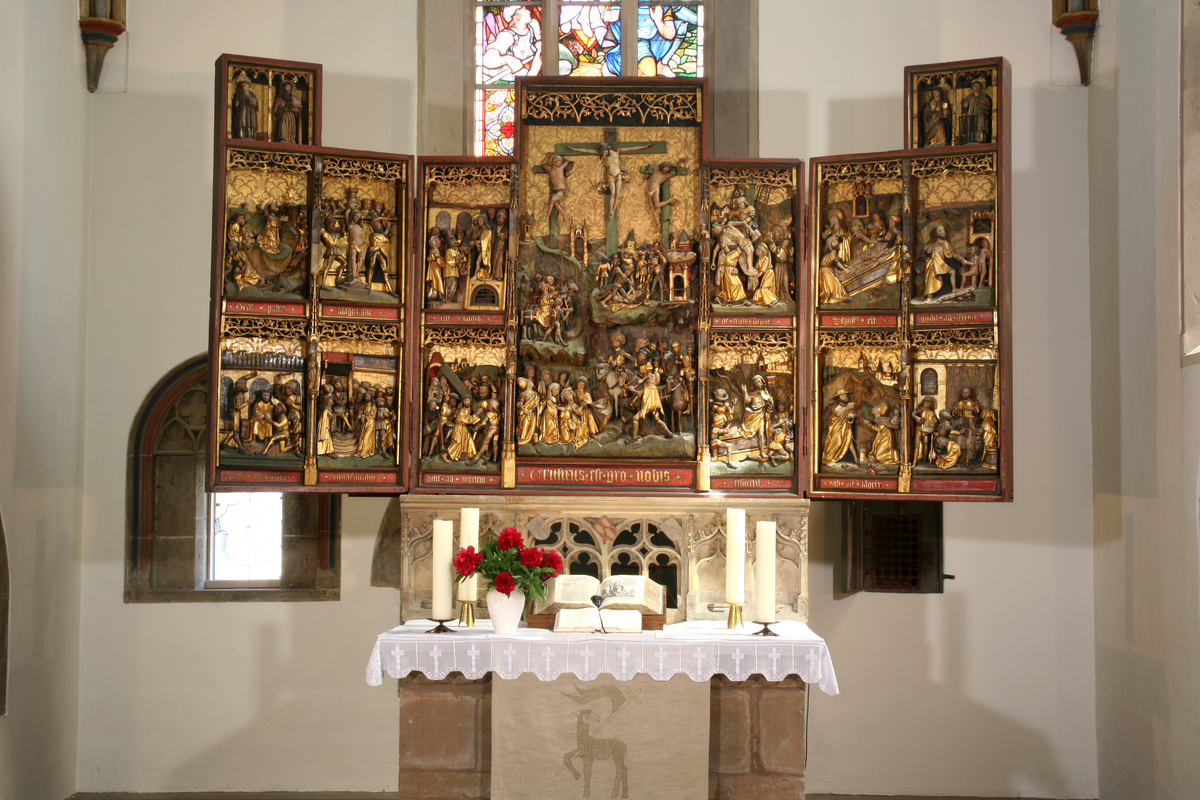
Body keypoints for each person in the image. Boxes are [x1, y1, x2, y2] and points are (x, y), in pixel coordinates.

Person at [566, 140, 653, 220]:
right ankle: (610, 211)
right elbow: (587, 150)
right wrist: (574, 149)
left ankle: (613, 212)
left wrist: (645, 146)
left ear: (607, 149)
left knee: (618, 194)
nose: (603, 154)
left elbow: (631, 148)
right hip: (610, 176)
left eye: (604, 152)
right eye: (602, 153)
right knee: (613, 193)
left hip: (618, 175)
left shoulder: (616, 151)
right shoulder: (604, 156)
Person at [820, 389, 858, 466]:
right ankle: (828, 459)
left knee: (849, 441)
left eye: (846, 395)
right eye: (842, 396)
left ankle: (856, 458)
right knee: (837, 441)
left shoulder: (848, 405)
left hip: (846, 426)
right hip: (837, 428)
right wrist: (847, 408)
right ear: (838, 398)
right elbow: (837, 414)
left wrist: (852, 415)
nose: (845, 397)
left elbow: (855, 413)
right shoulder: (835, 406)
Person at [863, 401, 901, 465]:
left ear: (878, 411)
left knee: (878, 456)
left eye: (875, 408)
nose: (872, 408)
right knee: (877, 452)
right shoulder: (878, 419)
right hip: (883, 435)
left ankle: (893, 454)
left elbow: (879, 429)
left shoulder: (880, 419)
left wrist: (869, 424)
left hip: (886, 436)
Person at [961, 79, 992, 144]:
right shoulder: (969, 97)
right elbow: (964, 107)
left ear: (981, 88)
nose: (976, 88)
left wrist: (983, 107)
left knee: (980, 126)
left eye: (978, 86)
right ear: (972, 88)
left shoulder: (984, 97)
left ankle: (981, 139)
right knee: (971, 126)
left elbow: (988, 108)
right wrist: (964, 105)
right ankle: (970, 140)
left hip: (980, 115)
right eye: (975, 86)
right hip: (971, 114)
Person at [231, 74, 259, 139]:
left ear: (249, 86)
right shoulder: (238, 95)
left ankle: (250, 135)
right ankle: (241, 135)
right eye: (242, 86)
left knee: (250, 123)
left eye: (245, 85)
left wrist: (253, 103)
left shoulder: (252, 95)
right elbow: (235, 106)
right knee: (242, 122)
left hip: (250, 112)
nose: (244, 87)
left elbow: (256, 105)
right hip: (242, 111)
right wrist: (236, 104)